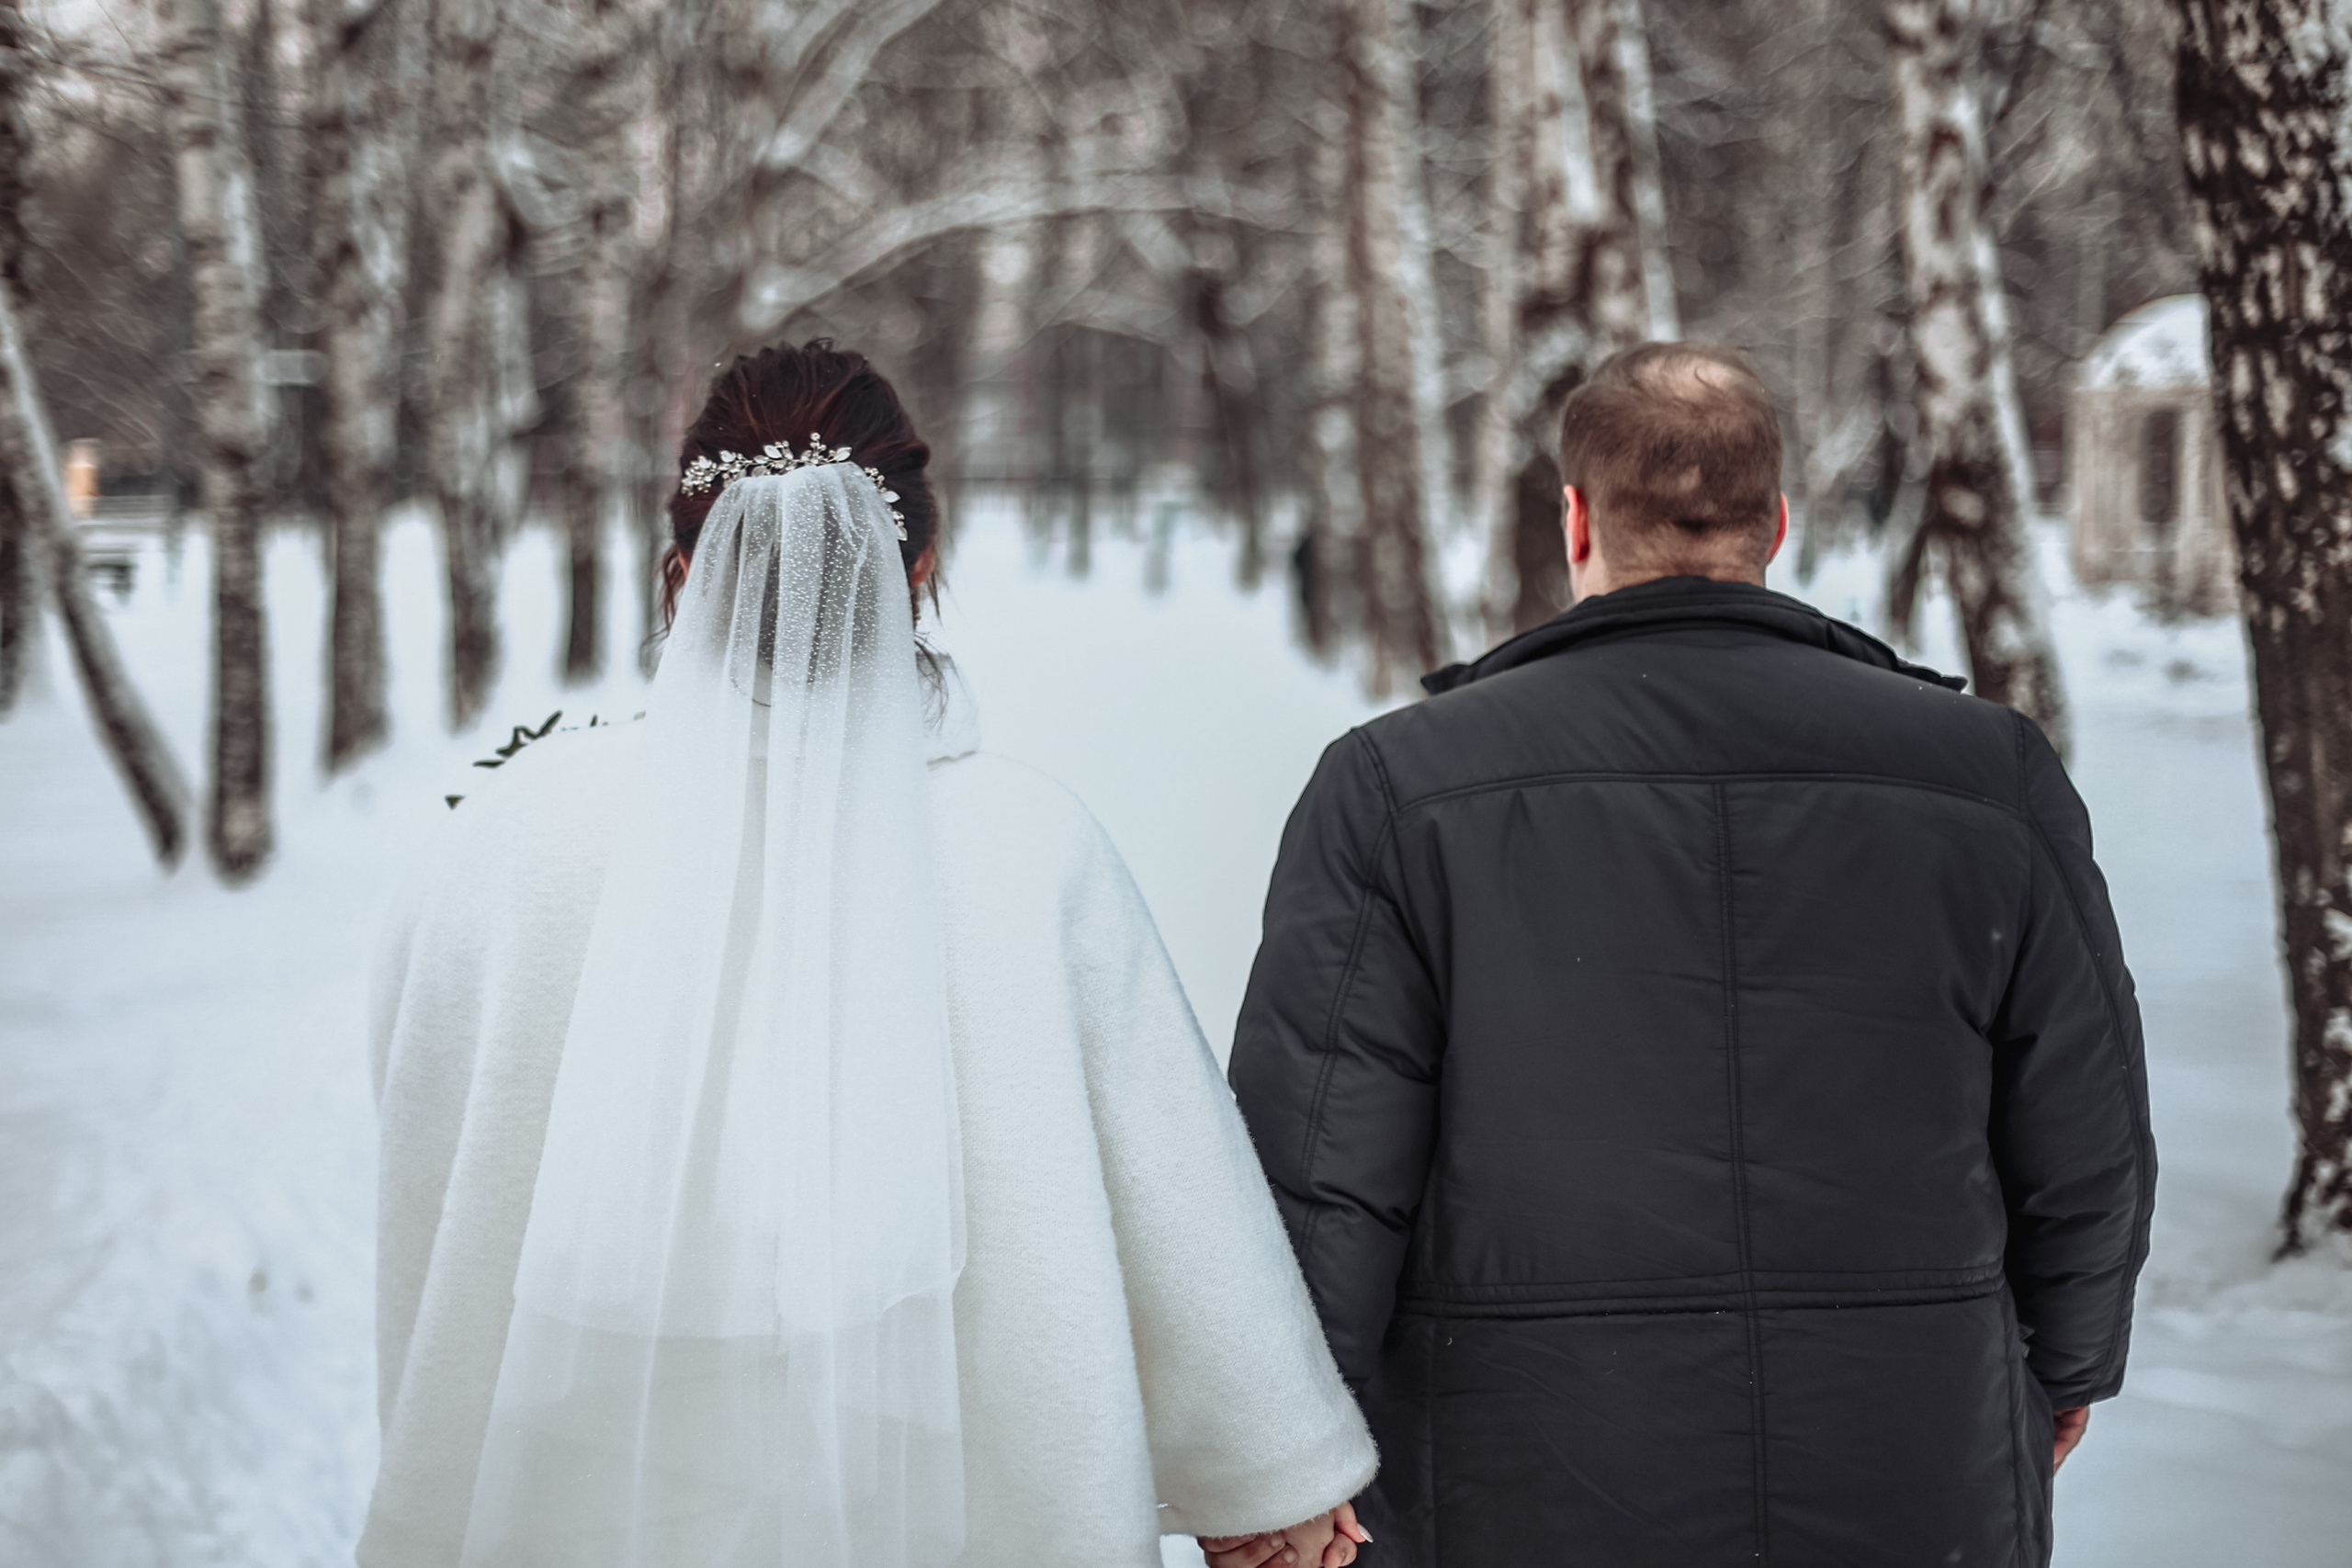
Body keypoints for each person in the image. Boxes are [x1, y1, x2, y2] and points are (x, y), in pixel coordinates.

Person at [359, 342, 1377, 1568]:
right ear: (922, 571)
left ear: (683, 577)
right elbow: (1169, 1182)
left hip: (581, 1505)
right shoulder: (1027, 849)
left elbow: (429, 1150)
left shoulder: (514, 843)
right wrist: (1266, 1477)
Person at [1223, 342, 2154, 1567]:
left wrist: (1280, 1456)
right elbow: (2084, 1128)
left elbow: (1319, 1166)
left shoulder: (1400, 788)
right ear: (1776, 521)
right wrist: (2068, 1361)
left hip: (1525, 1471)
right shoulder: (1987, 778)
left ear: (1575, 519)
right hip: (1906, 1456)